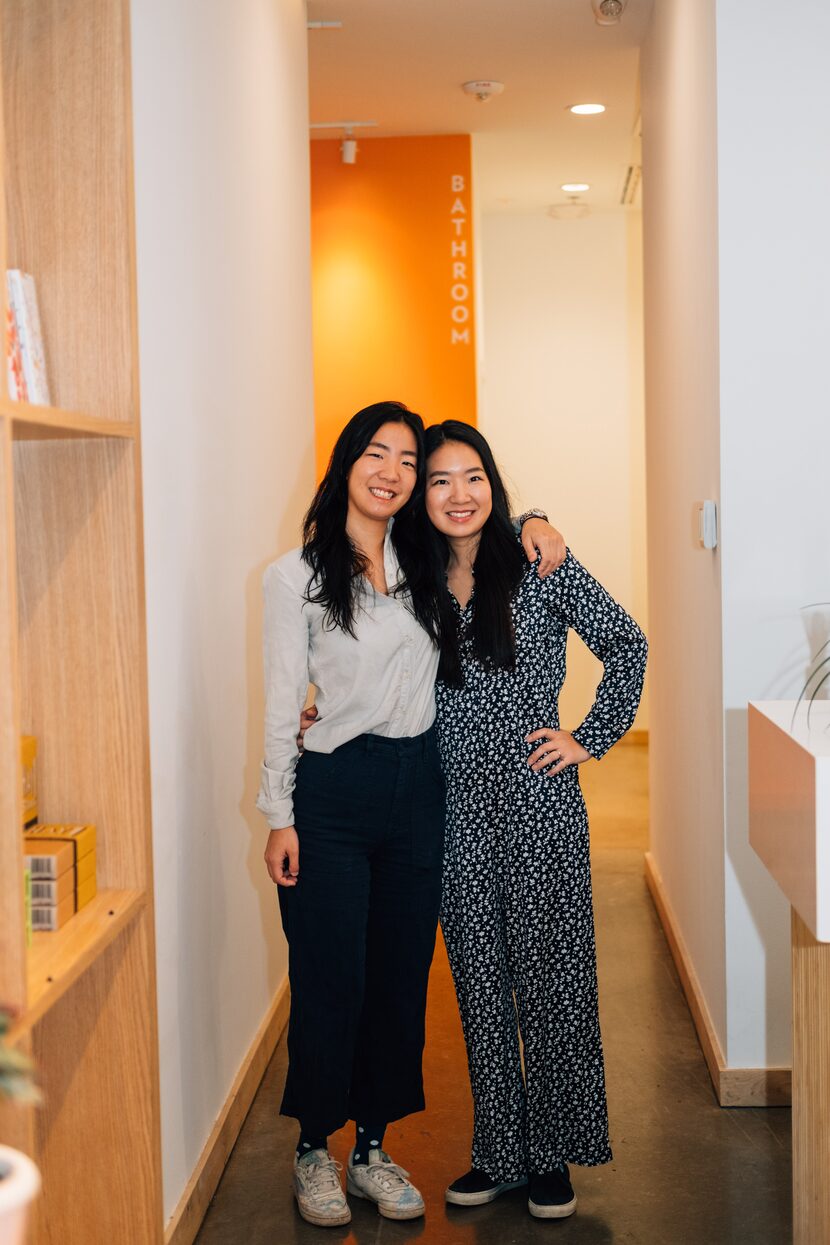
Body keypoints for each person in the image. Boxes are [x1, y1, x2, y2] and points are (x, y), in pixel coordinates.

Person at [256, 401, 562, 1228]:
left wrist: (535, 518)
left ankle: (373, 1149)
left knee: (398, 975)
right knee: (331, 975)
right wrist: (278, 812)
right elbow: (286, 700)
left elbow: (484, 523)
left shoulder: (423, 560)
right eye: (377, 454)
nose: (393, 472)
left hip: (419, 790)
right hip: (332, 796)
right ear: (347, 462)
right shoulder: (295, 577)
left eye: (406, 459)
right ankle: (314, 1148)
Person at [423, 420, 647, 1221]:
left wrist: (588, 736)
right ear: (423, 495)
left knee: (550, 984)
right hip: (454, 815)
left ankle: (550, 1153)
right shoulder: (410, 580)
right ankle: (499, 1152)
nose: (459, 494)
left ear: (495, 484)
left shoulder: (541, 563)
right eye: (441, 479)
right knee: (480, 987)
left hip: (539, 805)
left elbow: (627, 641)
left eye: (473, 476)